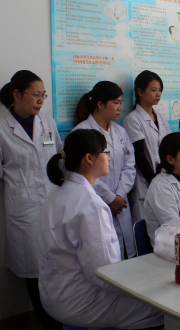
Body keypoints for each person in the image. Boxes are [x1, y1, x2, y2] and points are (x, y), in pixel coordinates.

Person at [38, 129, 163, 329]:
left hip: (54, 294)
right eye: (106, 153)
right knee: (162, 308)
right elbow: (105, 275)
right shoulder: (90, 204)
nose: (109, 158)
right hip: (83, 302)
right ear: (89, 158)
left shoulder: (57, 192)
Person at [0, 70, 61, 330]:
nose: (40, 100)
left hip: (53, 205)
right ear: (16, 95)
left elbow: (58, 159)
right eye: (35, 95)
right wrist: (22, 189)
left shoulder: (48, 123)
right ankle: (48, 324)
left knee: (59, 265)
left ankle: (62, 319)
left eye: (43, 95)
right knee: (34, 272)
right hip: (24, 211)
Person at [73, 81, 136, 259]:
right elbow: (83, 173)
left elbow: (129, 165)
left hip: (121, 204)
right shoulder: (81, 133)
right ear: (100, 104)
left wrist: (120, 195)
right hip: (97, 202)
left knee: (126, 255)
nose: (120, 108)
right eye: (115, 103)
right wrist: (110, 198)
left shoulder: (120, 132)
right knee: (104, 256)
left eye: (120, 103)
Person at [123, 70, 171, 224]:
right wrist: (154, 181)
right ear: (140, 91)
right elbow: (139, 155)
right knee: (145, 227)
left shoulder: (161, 118)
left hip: (163, 180)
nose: (158, 94)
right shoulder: (132, 119)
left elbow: (169, 147)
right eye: (153, 90)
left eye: (160, 90)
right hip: (144, 183)